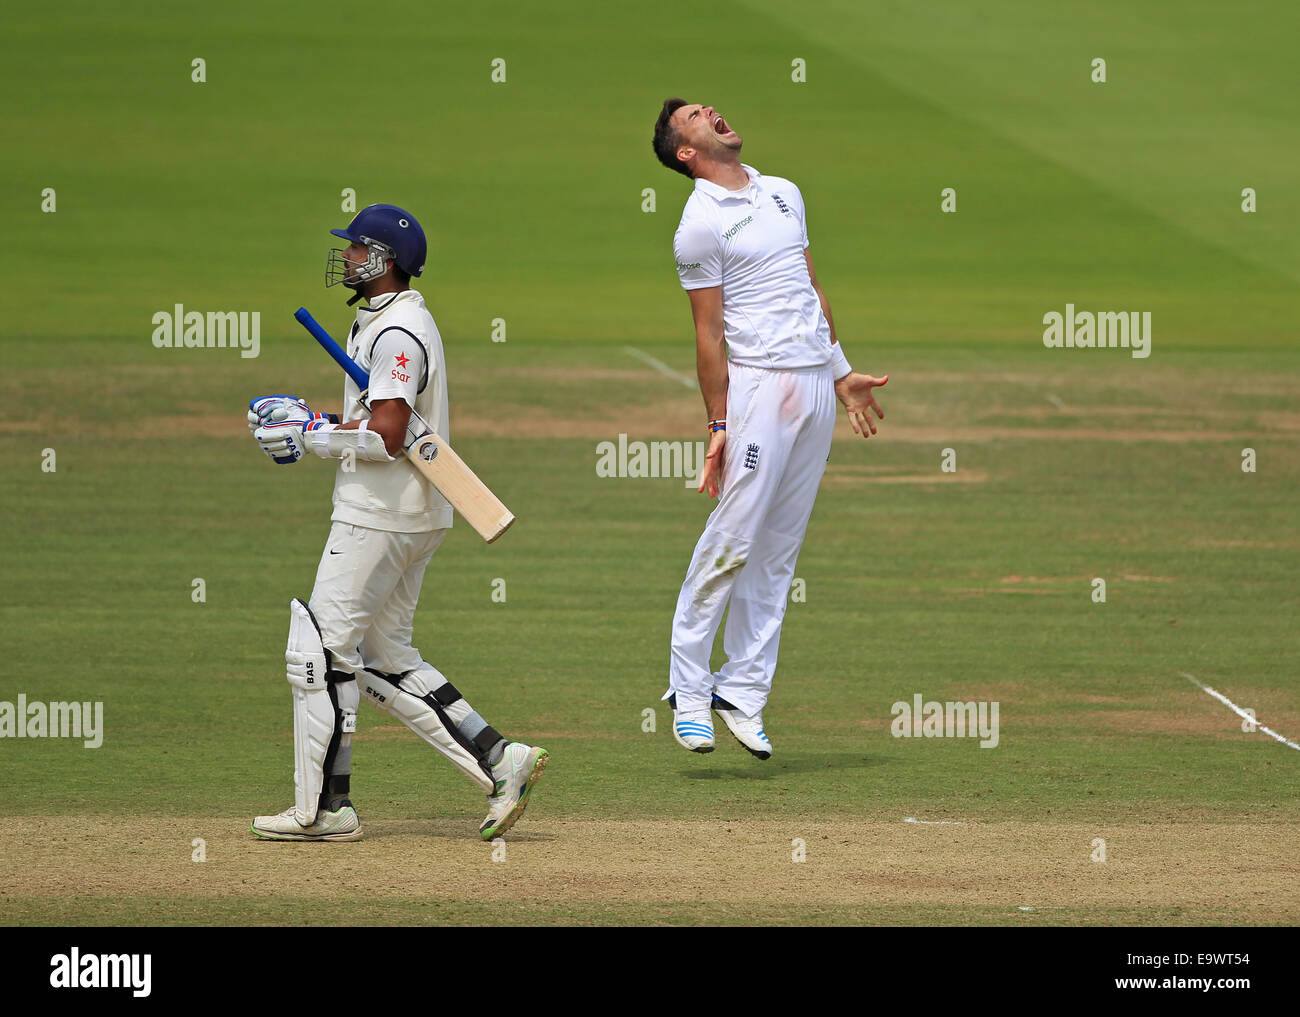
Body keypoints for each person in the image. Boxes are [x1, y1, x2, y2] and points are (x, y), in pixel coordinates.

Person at [247, 203, 547, 841]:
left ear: (385, 260)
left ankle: (324, 809)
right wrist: (324, 420)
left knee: (320, 654)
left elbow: (385, 435)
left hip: (380, 516)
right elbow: (380, 413)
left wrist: (310, 439)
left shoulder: (399, 330)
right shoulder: (383, 322)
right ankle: (501, 758)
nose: (348, 258)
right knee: (383, 657)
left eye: (357, 249)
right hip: (409, 514)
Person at [651, 99, 888, 757]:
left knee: (781, 546)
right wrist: (719, 421)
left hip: (813, 383)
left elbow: (808, 288)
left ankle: (745, 691)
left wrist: (840, 373)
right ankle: (690, 690)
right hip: (758, 384)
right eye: (696, 115)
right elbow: (706, 334)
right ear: (685, 154)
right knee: (734, 534)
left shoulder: (785, 192)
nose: (714, 112)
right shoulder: (698, 225)